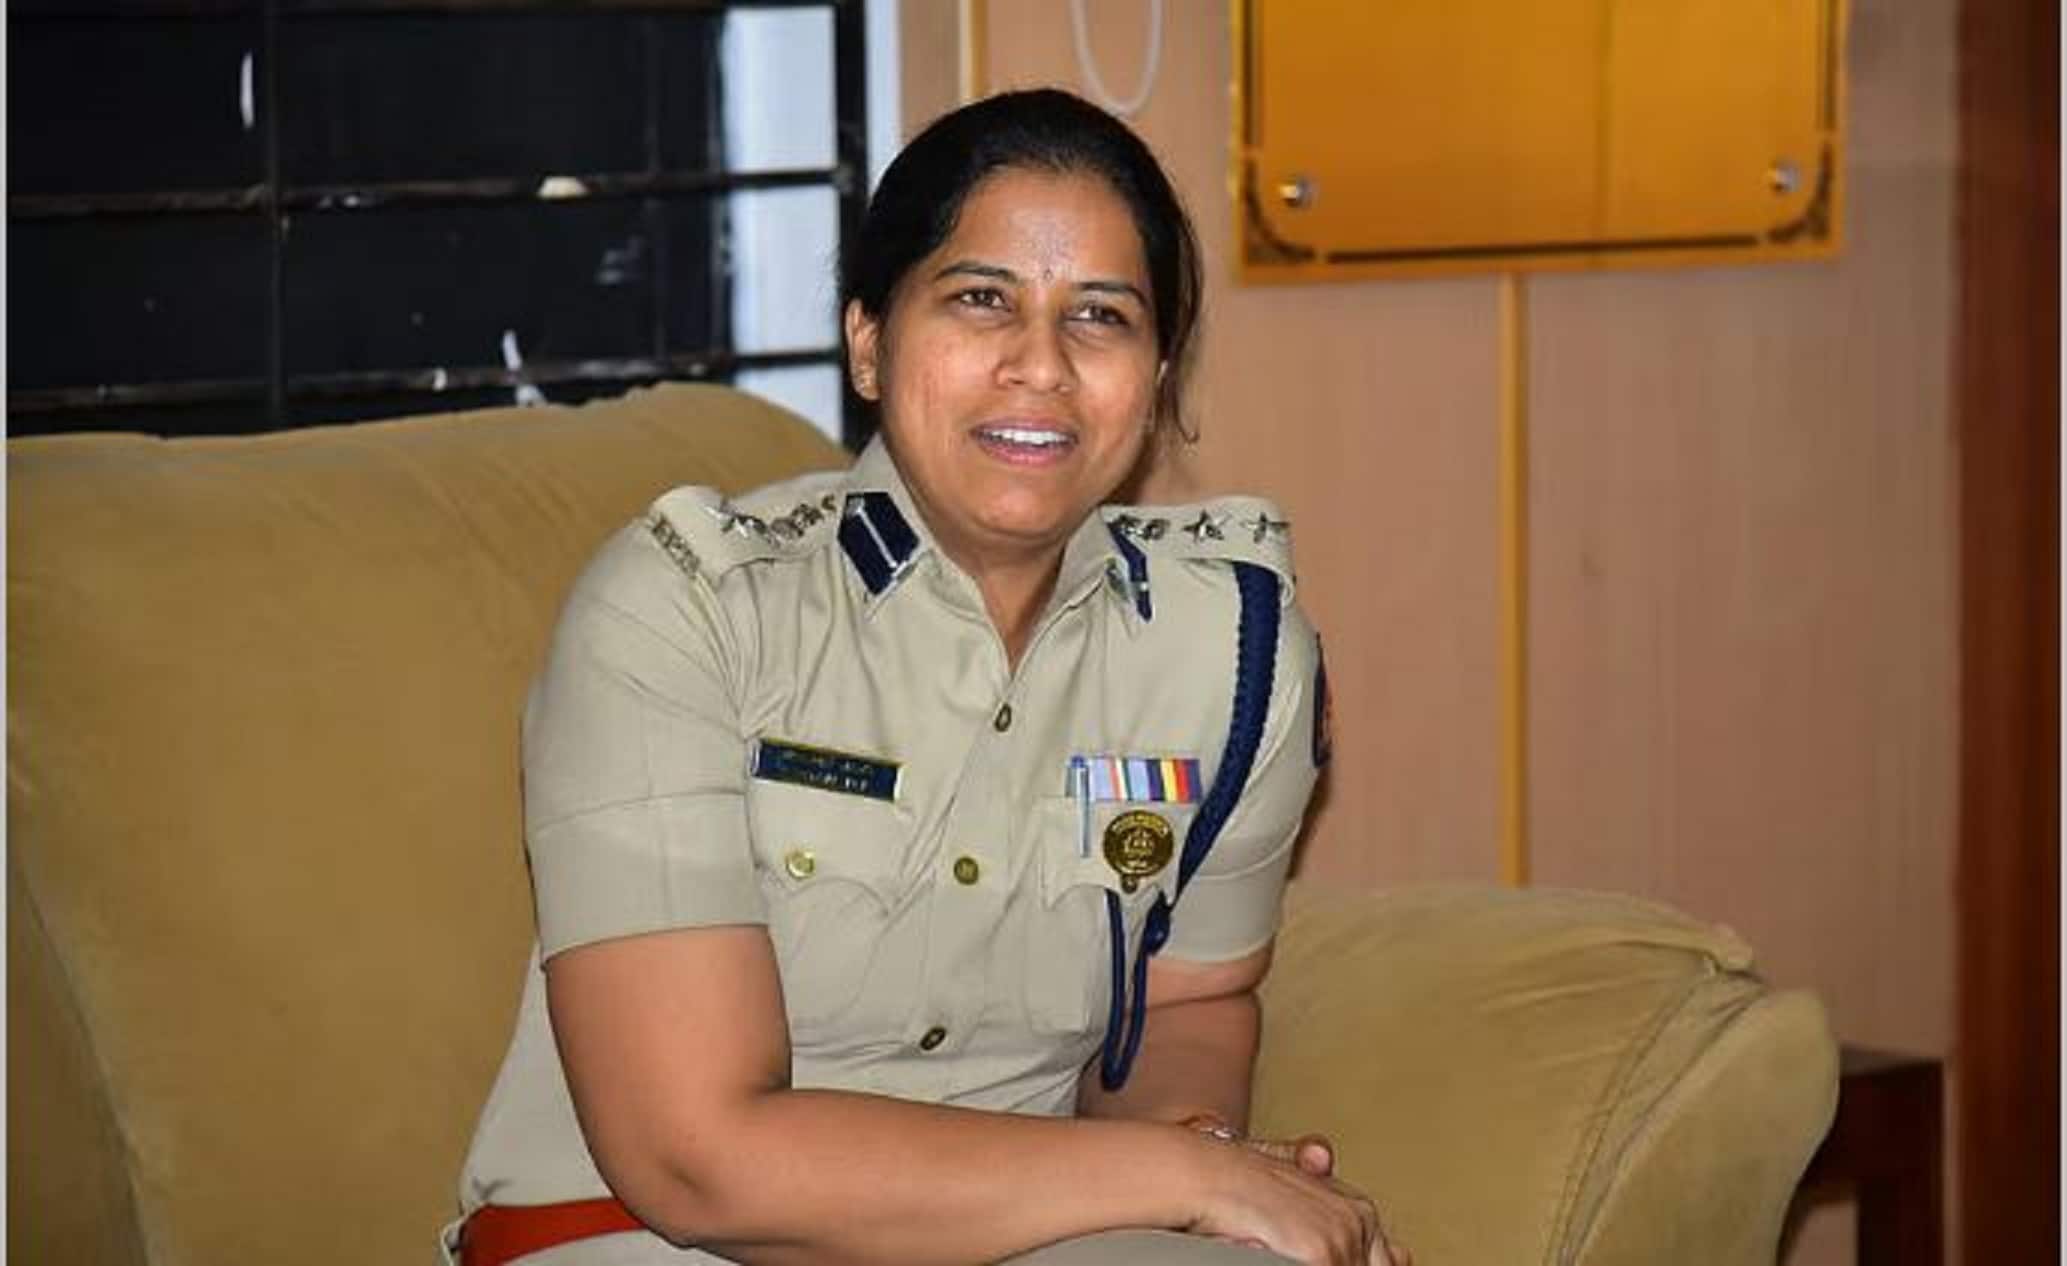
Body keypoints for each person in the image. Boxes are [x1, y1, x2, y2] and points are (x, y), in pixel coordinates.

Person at [449, 88, 1407, 1266]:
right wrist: (1184, 1177)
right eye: (980, 299)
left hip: (1025, 1232)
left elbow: (1188, 1001)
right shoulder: (686, 608)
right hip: (638, 1236)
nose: (1041, 365)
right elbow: (693, 1161)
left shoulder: (1235, 654)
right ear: (869, 340)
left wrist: (1195, 1160)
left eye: (1100, 316)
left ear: (1158, 375)